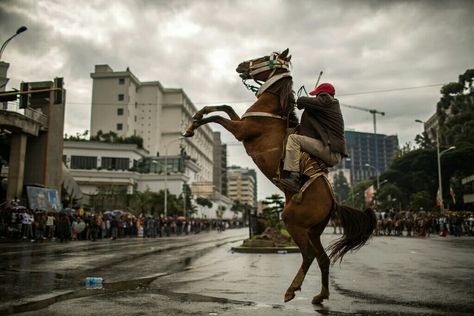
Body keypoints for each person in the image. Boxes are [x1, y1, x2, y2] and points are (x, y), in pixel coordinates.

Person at [276, 82, 348, 191]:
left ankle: (295, 178)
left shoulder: (328, 100)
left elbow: (303, 101)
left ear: (323, 94)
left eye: (317, 95)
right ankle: (304, 174)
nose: (316, 97)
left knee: (294, 139)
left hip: (331, 151)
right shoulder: (324, 109)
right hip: (330, 150)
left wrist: (301, 100)